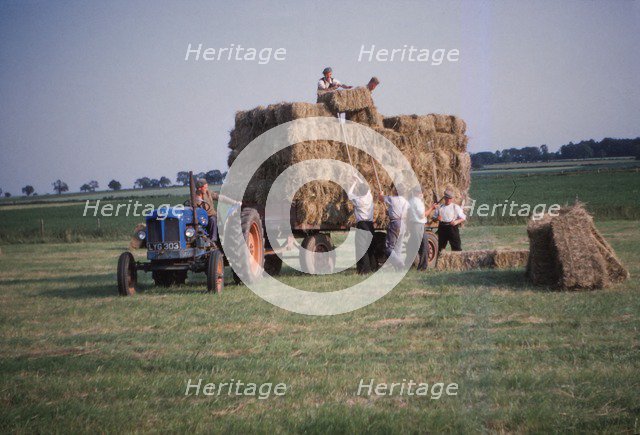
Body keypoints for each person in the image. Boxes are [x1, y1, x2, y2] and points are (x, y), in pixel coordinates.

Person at [347, 175, 376, 274]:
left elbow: (349, 194)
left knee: (361, 248)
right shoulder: (369, 197)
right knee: (370, 247)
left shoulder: (358, 200)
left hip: (362, 225)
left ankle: (364, 270)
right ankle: (372, 267)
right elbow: (365, 187)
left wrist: (354, 183)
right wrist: (357, 178)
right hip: (370, 225)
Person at [378, 186, 409, 270]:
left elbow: (381, 198)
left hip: (395, 223)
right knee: (398, 247)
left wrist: (381, 194)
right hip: (403, 223)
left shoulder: (392, 199)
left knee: (388, 247)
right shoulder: (406, 201)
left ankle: (399, 263)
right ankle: (399, 269)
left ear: (396, 191)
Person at [431, 188, 466, 253]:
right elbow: (433, 218)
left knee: (456, 247)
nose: (448, 200)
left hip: (452, 228)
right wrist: (437, 219)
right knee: (440, 248)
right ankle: (439, 261)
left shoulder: (455, 207)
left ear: (452, 199)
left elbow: (463, 217)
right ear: (444, 198)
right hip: (442, 228)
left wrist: (456, 222)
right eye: (447, 198)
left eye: (450, 198)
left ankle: (457, 261)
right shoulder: (440, 207)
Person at [405, 186, 429, 270]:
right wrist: (432, 208)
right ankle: (422, 266)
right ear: (416, 193)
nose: (421, 194)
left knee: (413, 246)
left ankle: (408, 265)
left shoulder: (410, 201)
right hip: (419, 225)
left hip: (414, 225)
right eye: (419, 192)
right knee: (424, 246)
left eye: (421, 192)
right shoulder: (417, 202)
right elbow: (422, 215)